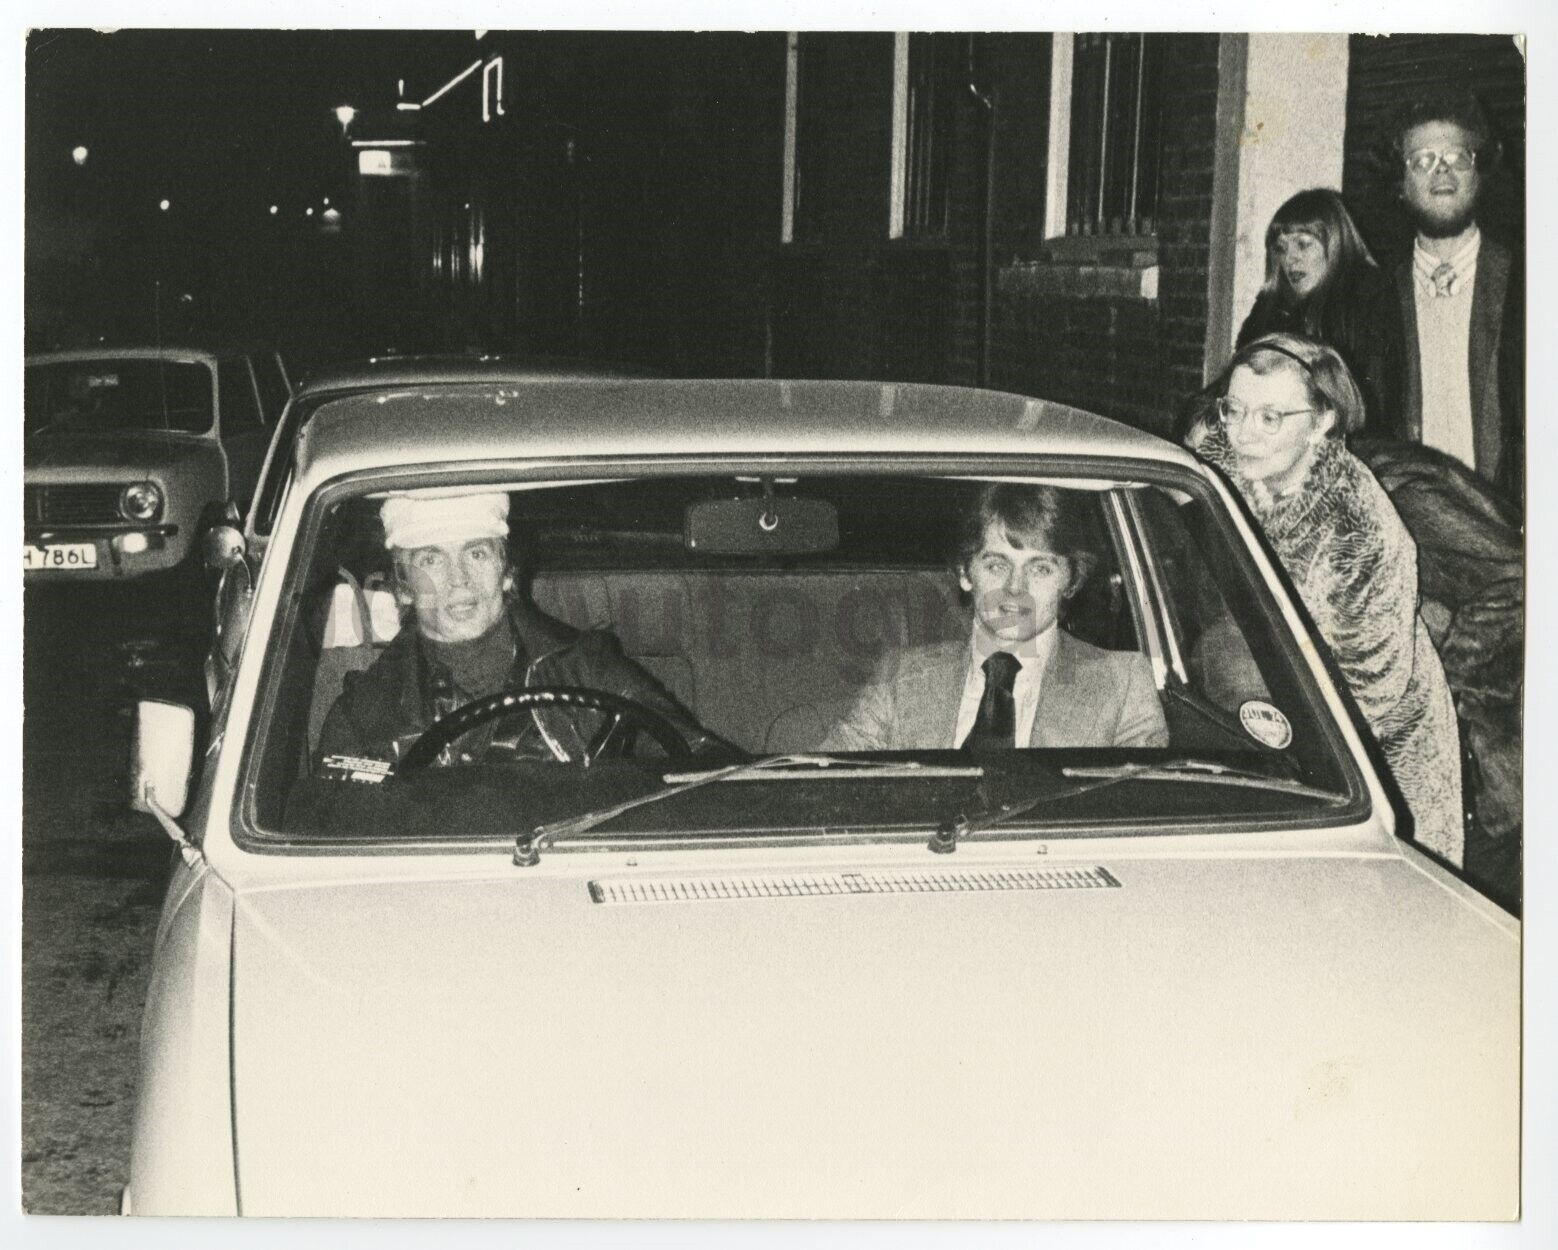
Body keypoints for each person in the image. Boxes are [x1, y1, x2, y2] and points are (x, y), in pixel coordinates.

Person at [1185, 332, 1464, 865]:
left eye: (1271, 418)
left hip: (1375, 750)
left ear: (1320, 423)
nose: (1244, 433)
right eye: (1234, 410)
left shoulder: (1359, 525)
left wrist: (1281, 759)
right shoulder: (1216, 461)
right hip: (1265, 703)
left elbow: (1369, 690)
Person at [315, 489, 730, 767]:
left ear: (506, 572)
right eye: (431, 559)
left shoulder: (588, 671)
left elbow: (703, 766)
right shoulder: (364, 714)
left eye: (476, 553)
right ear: (403, 587)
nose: (459, 579)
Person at [820, 483, 1168, 752]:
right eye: (997, 565)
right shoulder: (902, 679)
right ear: (964, 572)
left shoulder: (1122, 685)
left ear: (1071, 581)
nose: (1015, 587)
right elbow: (824, 780)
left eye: (1041, 568)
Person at [1385, 90, 1523, 510]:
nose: (1441, 169)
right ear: (1401, 185)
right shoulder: (1372, 297)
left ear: (1480, 174)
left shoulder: (1529, 284)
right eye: (1423, 159)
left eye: (1458, 156)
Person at [1236, 188, 1403, 436]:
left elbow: (1374, 405)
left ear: (1336, 243)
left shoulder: (1368, 298)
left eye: (1303, 244)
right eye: (1281, 249)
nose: (1290, 259)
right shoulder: (1270, 308)